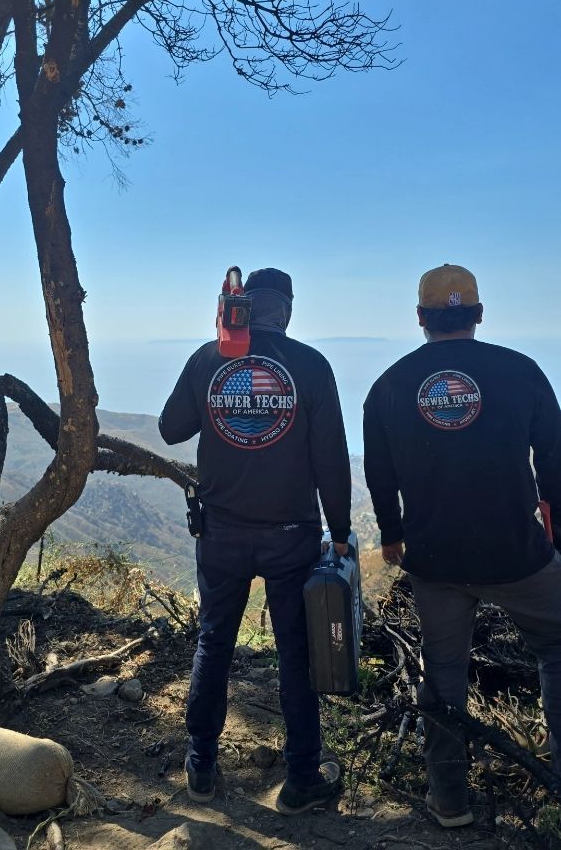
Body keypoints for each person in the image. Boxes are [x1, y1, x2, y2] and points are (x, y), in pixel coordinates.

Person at [363, 264, 561, 829]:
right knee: (557, 647)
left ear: (421, 318)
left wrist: (393, 535)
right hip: (518, 555)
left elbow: (380, 472)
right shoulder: (521, 372)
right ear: (477, 314)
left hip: (436, 561)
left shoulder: (391, 383)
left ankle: (449, 798)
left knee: (443, 672)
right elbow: (553, 461)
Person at [159, 267, 351, 814]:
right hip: (292, 537)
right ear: (286, 309)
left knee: (214, 642)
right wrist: (339, 532)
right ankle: (302, 777)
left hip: (221, 533)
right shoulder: (312, 366)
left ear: (236, 307)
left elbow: (173, 427)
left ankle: (199, 766)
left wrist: (217, 363)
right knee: (296, 653)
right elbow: (332, 461)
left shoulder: (209, 357)